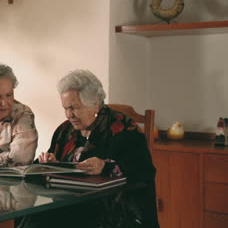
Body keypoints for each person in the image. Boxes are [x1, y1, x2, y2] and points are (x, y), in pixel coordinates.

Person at [35, 69, 159, 228]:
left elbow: (144, 170)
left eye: (74, 107)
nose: (68, 115)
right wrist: (50, 162)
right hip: (70, 206)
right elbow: (55, 164)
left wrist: (106, 166)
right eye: (65, 108)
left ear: (95, 104)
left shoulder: (124, 128)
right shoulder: (65, 130)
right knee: (34, 219)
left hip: (112, 213)